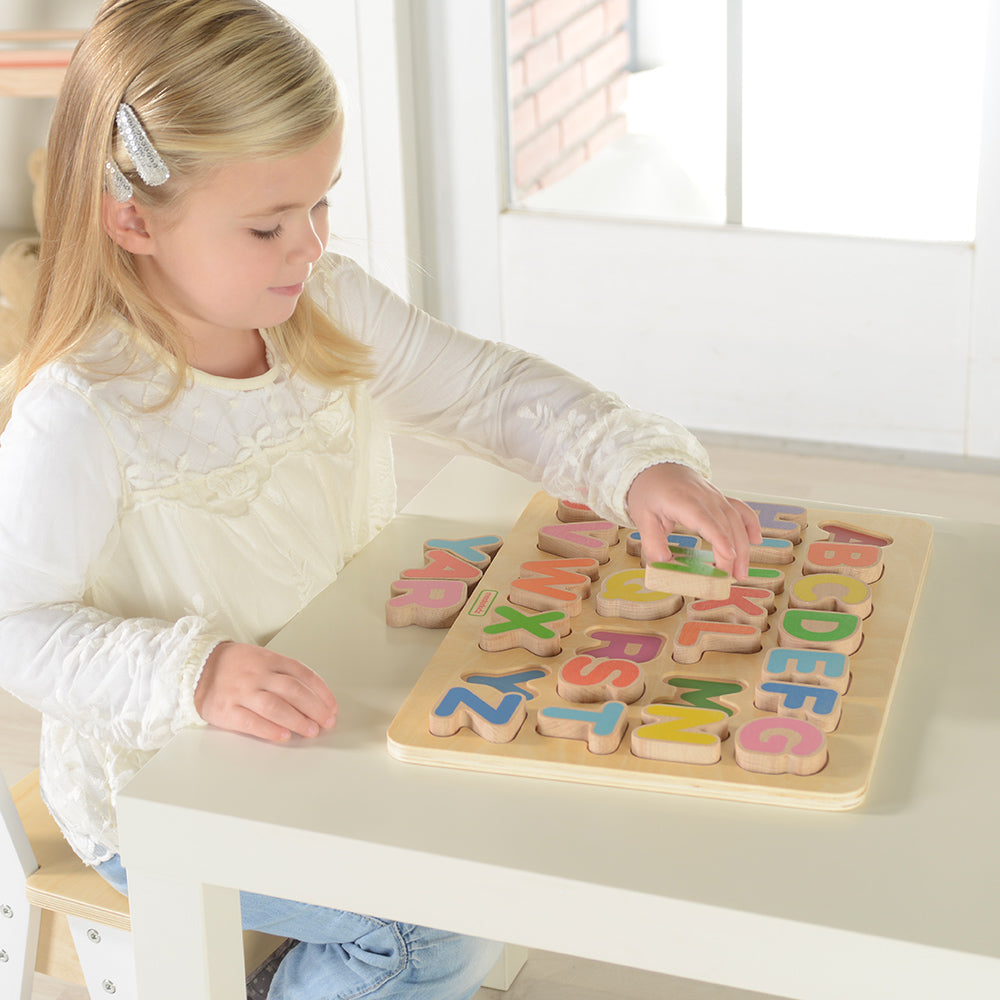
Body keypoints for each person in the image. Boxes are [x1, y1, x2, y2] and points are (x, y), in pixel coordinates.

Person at [0, 1, 760, 997]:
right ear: (133, 218)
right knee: (431, 931)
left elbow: (487, 393)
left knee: (531, 816)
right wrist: (194, 673)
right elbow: (16, 624)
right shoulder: (79, 415)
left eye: (322, 204)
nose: (310, 244)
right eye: (268, 225)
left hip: (333, 717)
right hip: (160, 793)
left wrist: (631, 465)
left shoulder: (323, 307)